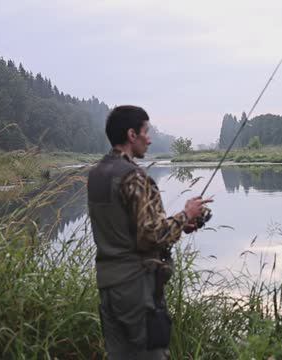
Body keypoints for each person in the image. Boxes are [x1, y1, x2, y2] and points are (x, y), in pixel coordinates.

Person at [87, 105, 211, 359]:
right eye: (146, 131)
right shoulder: (133, 177)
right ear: (132, 135)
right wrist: (187, 214)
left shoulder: (97, 174)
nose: (150, 138)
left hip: (108, 284)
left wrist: (178, 224)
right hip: (136, 286)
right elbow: (150, 236)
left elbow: (128, 226)